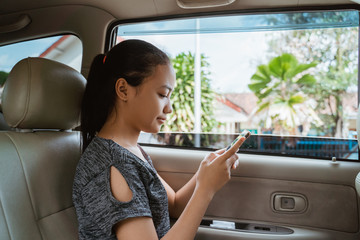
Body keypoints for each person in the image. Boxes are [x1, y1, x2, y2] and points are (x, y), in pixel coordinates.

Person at [72, 39, 246, 240]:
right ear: (123, 90)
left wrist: (204, 172)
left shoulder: (130, 151)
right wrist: (206, 189)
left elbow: (174, 205)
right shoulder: (113, 165)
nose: (169, 108)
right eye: (163, 94)